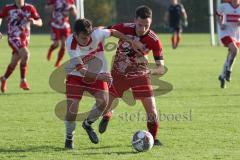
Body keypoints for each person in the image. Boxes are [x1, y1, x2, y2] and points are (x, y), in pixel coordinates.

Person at [64, 18, 144, 149]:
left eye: (88, 36)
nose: (87, 40)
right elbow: (82, 71)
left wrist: (131, 41)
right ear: (75, 34)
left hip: (99, 73)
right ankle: (69, 138)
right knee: (72, 110)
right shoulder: (70, 43)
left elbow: (113, 32)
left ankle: (88, 124)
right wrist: (101, 77)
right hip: (76, 76)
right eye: (83, 38)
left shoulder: (97, 34)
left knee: (103, 102)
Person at [98, 5, 165, 146]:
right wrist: (94, 30)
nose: (142, 29)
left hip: (140, 75)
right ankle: (108, 115)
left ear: (151, 22)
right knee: (104, 107)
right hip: (119, 73)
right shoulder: (124, 28)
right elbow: (105, 29)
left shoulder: (154, 40)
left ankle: (152, 138)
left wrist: (149, 68)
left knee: (152, 109)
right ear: (135, 20)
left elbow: (161, 68)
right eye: (140, 25)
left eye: (146, 25)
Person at [0, 0, 42, 93]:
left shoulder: (30, 8)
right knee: (26, 54)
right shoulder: (8, 8)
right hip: (13, 37)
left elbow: (40, 21)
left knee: (14, 62)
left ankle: (4, 78)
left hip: (25, 38)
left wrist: (34, 22)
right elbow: (0, 17)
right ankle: (23, 80)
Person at [45, 0, 77, 68]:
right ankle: (50, 50)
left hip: (65, 25)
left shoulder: (70, 1)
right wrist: (51, 7)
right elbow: (46, 8)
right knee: (56, 44)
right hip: (55, 24)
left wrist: (73, 9)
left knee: (63, 45)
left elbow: (74, 13)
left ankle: (58, 62)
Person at [216, 0, 240, 88]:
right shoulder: (224, 6)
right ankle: (229, 70)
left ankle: (222, 76)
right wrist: (220, 23)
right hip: (225, 33)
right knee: (235, 50)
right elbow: (217, 14)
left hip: (237, 34)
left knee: (231, 54)